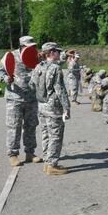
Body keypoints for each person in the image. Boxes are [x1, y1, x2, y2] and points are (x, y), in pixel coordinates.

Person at [0, 36, 41, 167]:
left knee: (31, 126)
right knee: (14, 126)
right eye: (29, 46)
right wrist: (5, 78)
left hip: (31, 97)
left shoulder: (36, 57)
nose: (32, 48)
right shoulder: (11, 56)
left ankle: (30, 153)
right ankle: (13, 154)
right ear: (21, 46)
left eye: (33, 46)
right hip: (14, 98)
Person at [30, 42, 71, 175]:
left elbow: (32, 85)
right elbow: (60, 89)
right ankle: (52, 164)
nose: (59, 54)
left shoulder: (38, 66)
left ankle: (47, 162)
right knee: (56, 135)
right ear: (52, 52)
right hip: (53, 107)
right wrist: (67, 107)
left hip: (41, 105)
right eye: (58, 51)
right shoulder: (55, 68)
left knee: (46, 134)